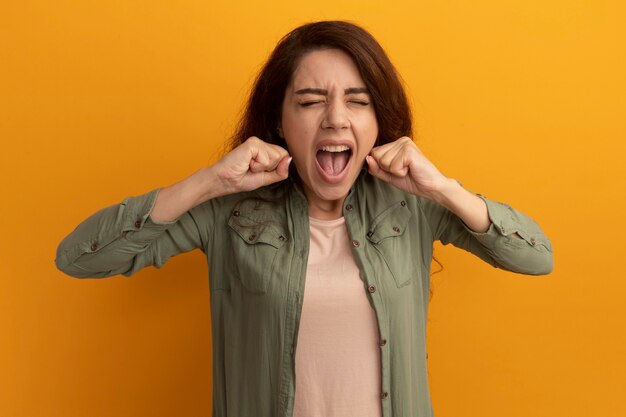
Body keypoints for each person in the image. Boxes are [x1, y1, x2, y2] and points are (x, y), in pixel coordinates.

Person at [55, 20, 553, 417]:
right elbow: (78, 258)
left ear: (377, 122)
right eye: (311, 101)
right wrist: (208, 182)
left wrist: (443, 188)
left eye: (358, 102)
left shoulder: (414, 205)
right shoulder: (228, 212)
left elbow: (537, 257)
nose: (336, 118)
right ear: (278, 121)